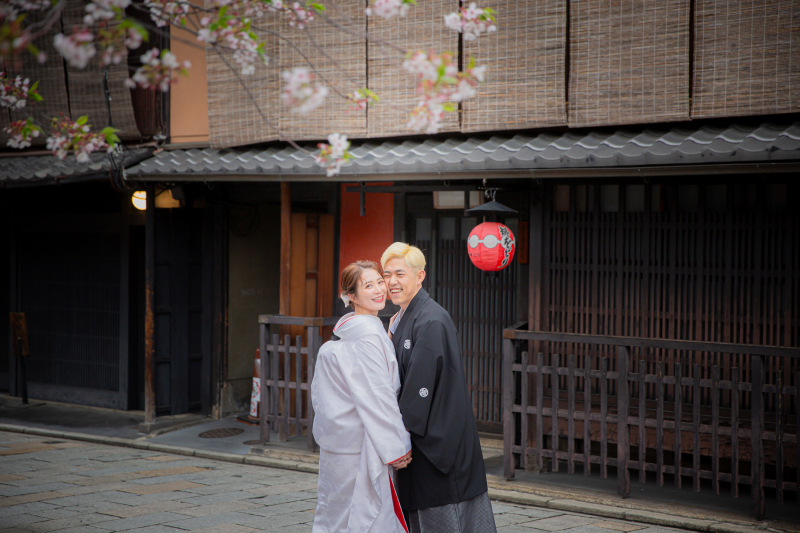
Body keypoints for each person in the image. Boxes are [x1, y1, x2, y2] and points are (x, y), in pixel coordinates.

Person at [382, 243, 497, 533]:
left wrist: (400, 437)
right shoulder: (402, 318)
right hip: (421, 436)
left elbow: (418, 388)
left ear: (420, 276)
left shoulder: (431, 319)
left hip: (435, 440)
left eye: (399, 274)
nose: (391, 282)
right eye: (386, 275)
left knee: (443, 516)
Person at [311, 260, 412, 533]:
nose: (380, 289)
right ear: (351, 296)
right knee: (364, 515)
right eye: (369, 285)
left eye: (380, 282)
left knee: (334, 513)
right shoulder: (367, 335)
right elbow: (377, 397)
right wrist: (396, 446)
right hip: (360, 445)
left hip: (339, 442)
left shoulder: (350, 332)